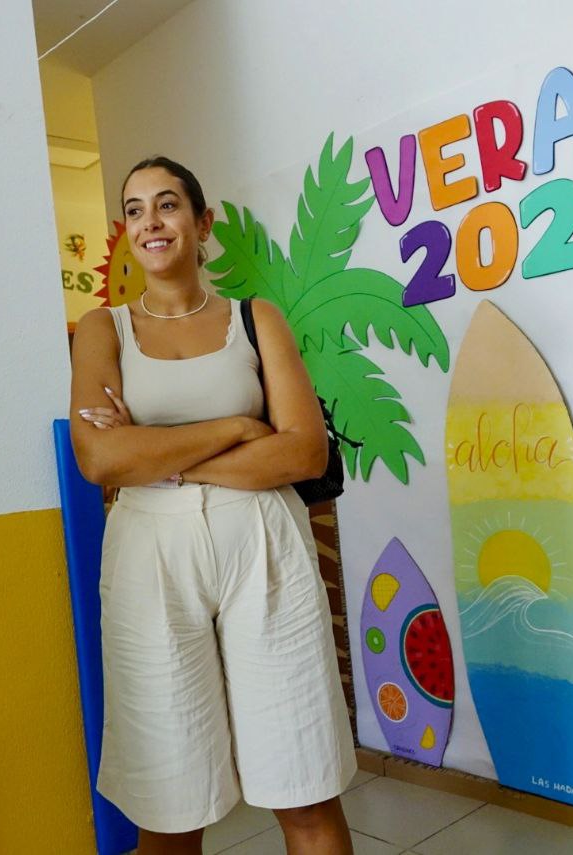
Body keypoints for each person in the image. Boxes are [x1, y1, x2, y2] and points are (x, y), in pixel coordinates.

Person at [69, 157, 356, 854]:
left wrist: (153, 451)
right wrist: (237, 427)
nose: (150, 222)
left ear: (202, 223)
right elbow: (99, 459)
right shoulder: (104, 329)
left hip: (263, 542)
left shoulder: (255, 318)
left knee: (305, 784)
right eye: (134, 209)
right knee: (169, 805)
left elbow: (303, 453)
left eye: (167, 205)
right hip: (150, 557)